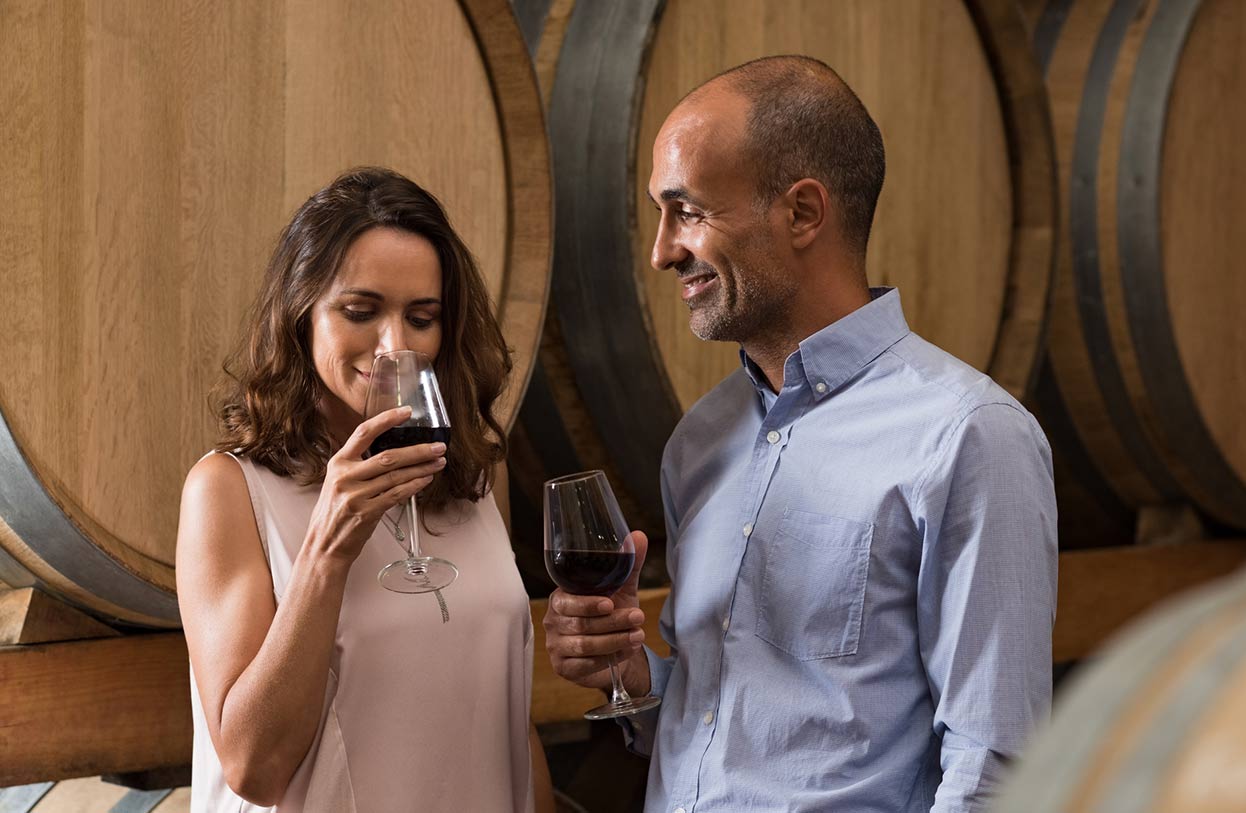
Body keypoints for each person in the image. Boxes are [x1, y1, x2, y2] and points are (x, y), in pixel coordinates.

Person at [542, 56, 1057, 811]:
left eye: (686, 210)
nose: (660, 251)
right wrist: (629, 669)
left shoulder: (968, 437)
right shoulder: (699, 441)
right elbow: (720, 718)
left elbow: (994, 765)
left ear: (803, 213)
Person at [177, 167, 554, 812]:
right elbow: (253, 766)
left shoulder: (473, 478)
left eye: (421, 318)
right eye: (360, 311)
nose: (394, 346)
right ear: (302, 315)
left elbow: (507, 722)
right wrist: (326, 551)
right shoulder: (230, 490)